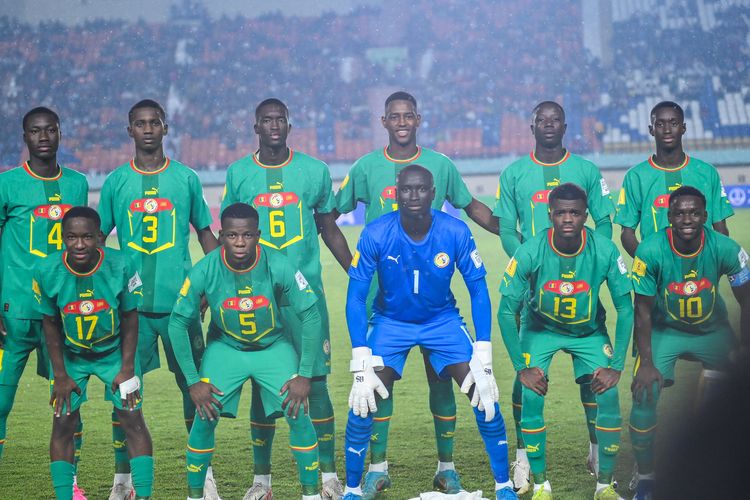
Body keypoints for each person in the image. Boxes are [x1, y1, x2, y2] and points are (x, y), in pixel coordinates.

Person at [335, 91, 499, 496]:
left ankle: (450, 469)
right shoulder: (365, 169)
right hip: (386, 304)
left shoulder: (441, 167)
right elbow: (328, 215)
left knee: (449, 385)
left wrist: (512, 233)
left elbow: (470, 208)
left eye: (409, 115)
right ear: (384, 121)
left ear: (418, 119)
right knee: (373, 391)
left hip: (438, 308)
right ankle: (373, 471)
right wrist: (352, 266)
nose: (403, 121)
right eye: (395, 116)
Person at [221, 98, 351, 500]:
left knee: (315, 383)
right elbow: (228, 237)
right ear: (255, 126)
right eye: (266, 120)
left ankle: (328, 475)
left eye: (280, 120)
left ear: (289, 126)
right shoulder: (239, 173)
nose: (274, 126)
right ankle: (262, 482)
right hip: (256, 299)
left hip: (304, 297)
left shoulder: (314, 171)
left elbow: (329, 229)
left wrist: (357, 273)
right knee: (263, 386)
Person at [98, 99, 219, 500]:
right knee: (125, 393)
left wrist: (211, 283)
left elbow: (204, 232)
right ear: (129, 130)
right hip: (129, 310)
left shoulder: (186, 179)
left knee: (196, 391)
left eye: (155, 123)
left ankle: (203, 478)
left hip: (180, 306)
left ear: (165, 128)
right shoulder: (116, 182)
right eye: (140, 123)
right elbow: (97, 242)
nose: (148, 129)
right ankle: (123, 480)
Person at [493, 101, 616, 493]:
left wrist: (592, 266)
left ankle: (596, 447)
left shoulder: (587, 170)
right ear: (532, 126)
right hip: (532, 285)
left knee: (592, 378)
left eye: (555, 120)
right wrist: (527, 263)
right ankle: (523, 456)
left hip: (579, 290)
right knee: (524, 377)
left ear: (565, 125)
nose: (549, 125)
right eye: (541, 120)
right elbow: (506, 227)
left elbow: (606, 221)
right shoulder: (513, 173)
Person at [167, 202, 323, 500]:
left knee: (298, 412)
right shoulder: (206, 268)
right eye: (232, 235)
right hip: (226, 348)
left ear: (258, 235)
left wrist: (304, 375)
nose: (240, 242)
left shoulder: (278, 264)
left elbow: (312, 315)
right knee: (205, 415)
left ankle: (311, 495)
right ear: (221, 235)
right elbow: (177, 323)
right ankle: (194, 496)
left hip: (272, 347)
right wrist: (192, 380)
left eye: (247, 235)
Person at [497, 183, 633, 500]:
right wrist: (521, 367)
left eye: (574, 212)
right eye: (561, 213)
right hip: (540, 329)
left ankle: (604, 485)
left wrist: (616, 366)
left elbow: (626, 308)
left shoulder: (604, 249)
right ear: (550, 215)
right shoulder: (530, 250)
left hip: (588, 331)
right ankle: (542, 484)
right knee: (531, 393)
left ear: (585, 215)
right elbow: (506, 312)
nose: (568, 219)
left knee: (609, 393)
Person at [627, 185, 749, 499]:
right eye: (679, 213)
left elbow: (747, 301)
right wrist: (647, 363)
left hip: (712, 330)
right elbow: (641, 310)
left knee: (734, 397)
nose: (687, 218)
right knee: (644, 393)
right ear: (669, 217)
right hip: (664, 330)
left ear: (705, 216)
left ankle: (723, 470)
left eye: (694, 212)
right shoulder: (651, 250)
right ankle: (645, 478)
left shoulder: (726, 248)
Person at [34, 206, 153, 500]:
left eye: (87, 237)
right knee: (63, 420)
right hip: (71, 356)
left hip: (115, 353)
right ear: (62, 238)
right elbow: (50, 325)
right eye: (71, 237)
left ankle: (144, 494)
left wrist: (127, 369)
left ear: (100, 237)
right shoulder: (47, 270)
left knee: (132, 418)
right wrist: (60, 375)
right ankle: (66, 496)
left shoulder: (122, 264)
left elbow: (130, 317)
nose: (79, 244)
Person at [0, 107, 89, 497]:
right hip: (14, 312)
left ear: (59, 133)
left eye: (49, 130)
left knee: (69, 404)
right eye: (35, 131)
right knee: (1, 402)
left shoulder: (78, 184)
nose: (43, 137)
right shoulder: (7, 185)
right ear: (25, 137)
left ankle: (71, 486)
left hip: (65, 314)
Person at [614, 101, 734, 259]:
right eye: (660, 124)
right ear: (651, 130)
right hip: (657, 275)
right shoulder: (636, 176)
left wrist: (714, 263)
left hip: (701, 271)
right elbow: (626, 234)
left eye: (674, 123)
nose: (667, 130)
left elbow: (721, 229)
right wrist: (649, 265)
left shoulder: (707, 173)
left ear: (683, 128)